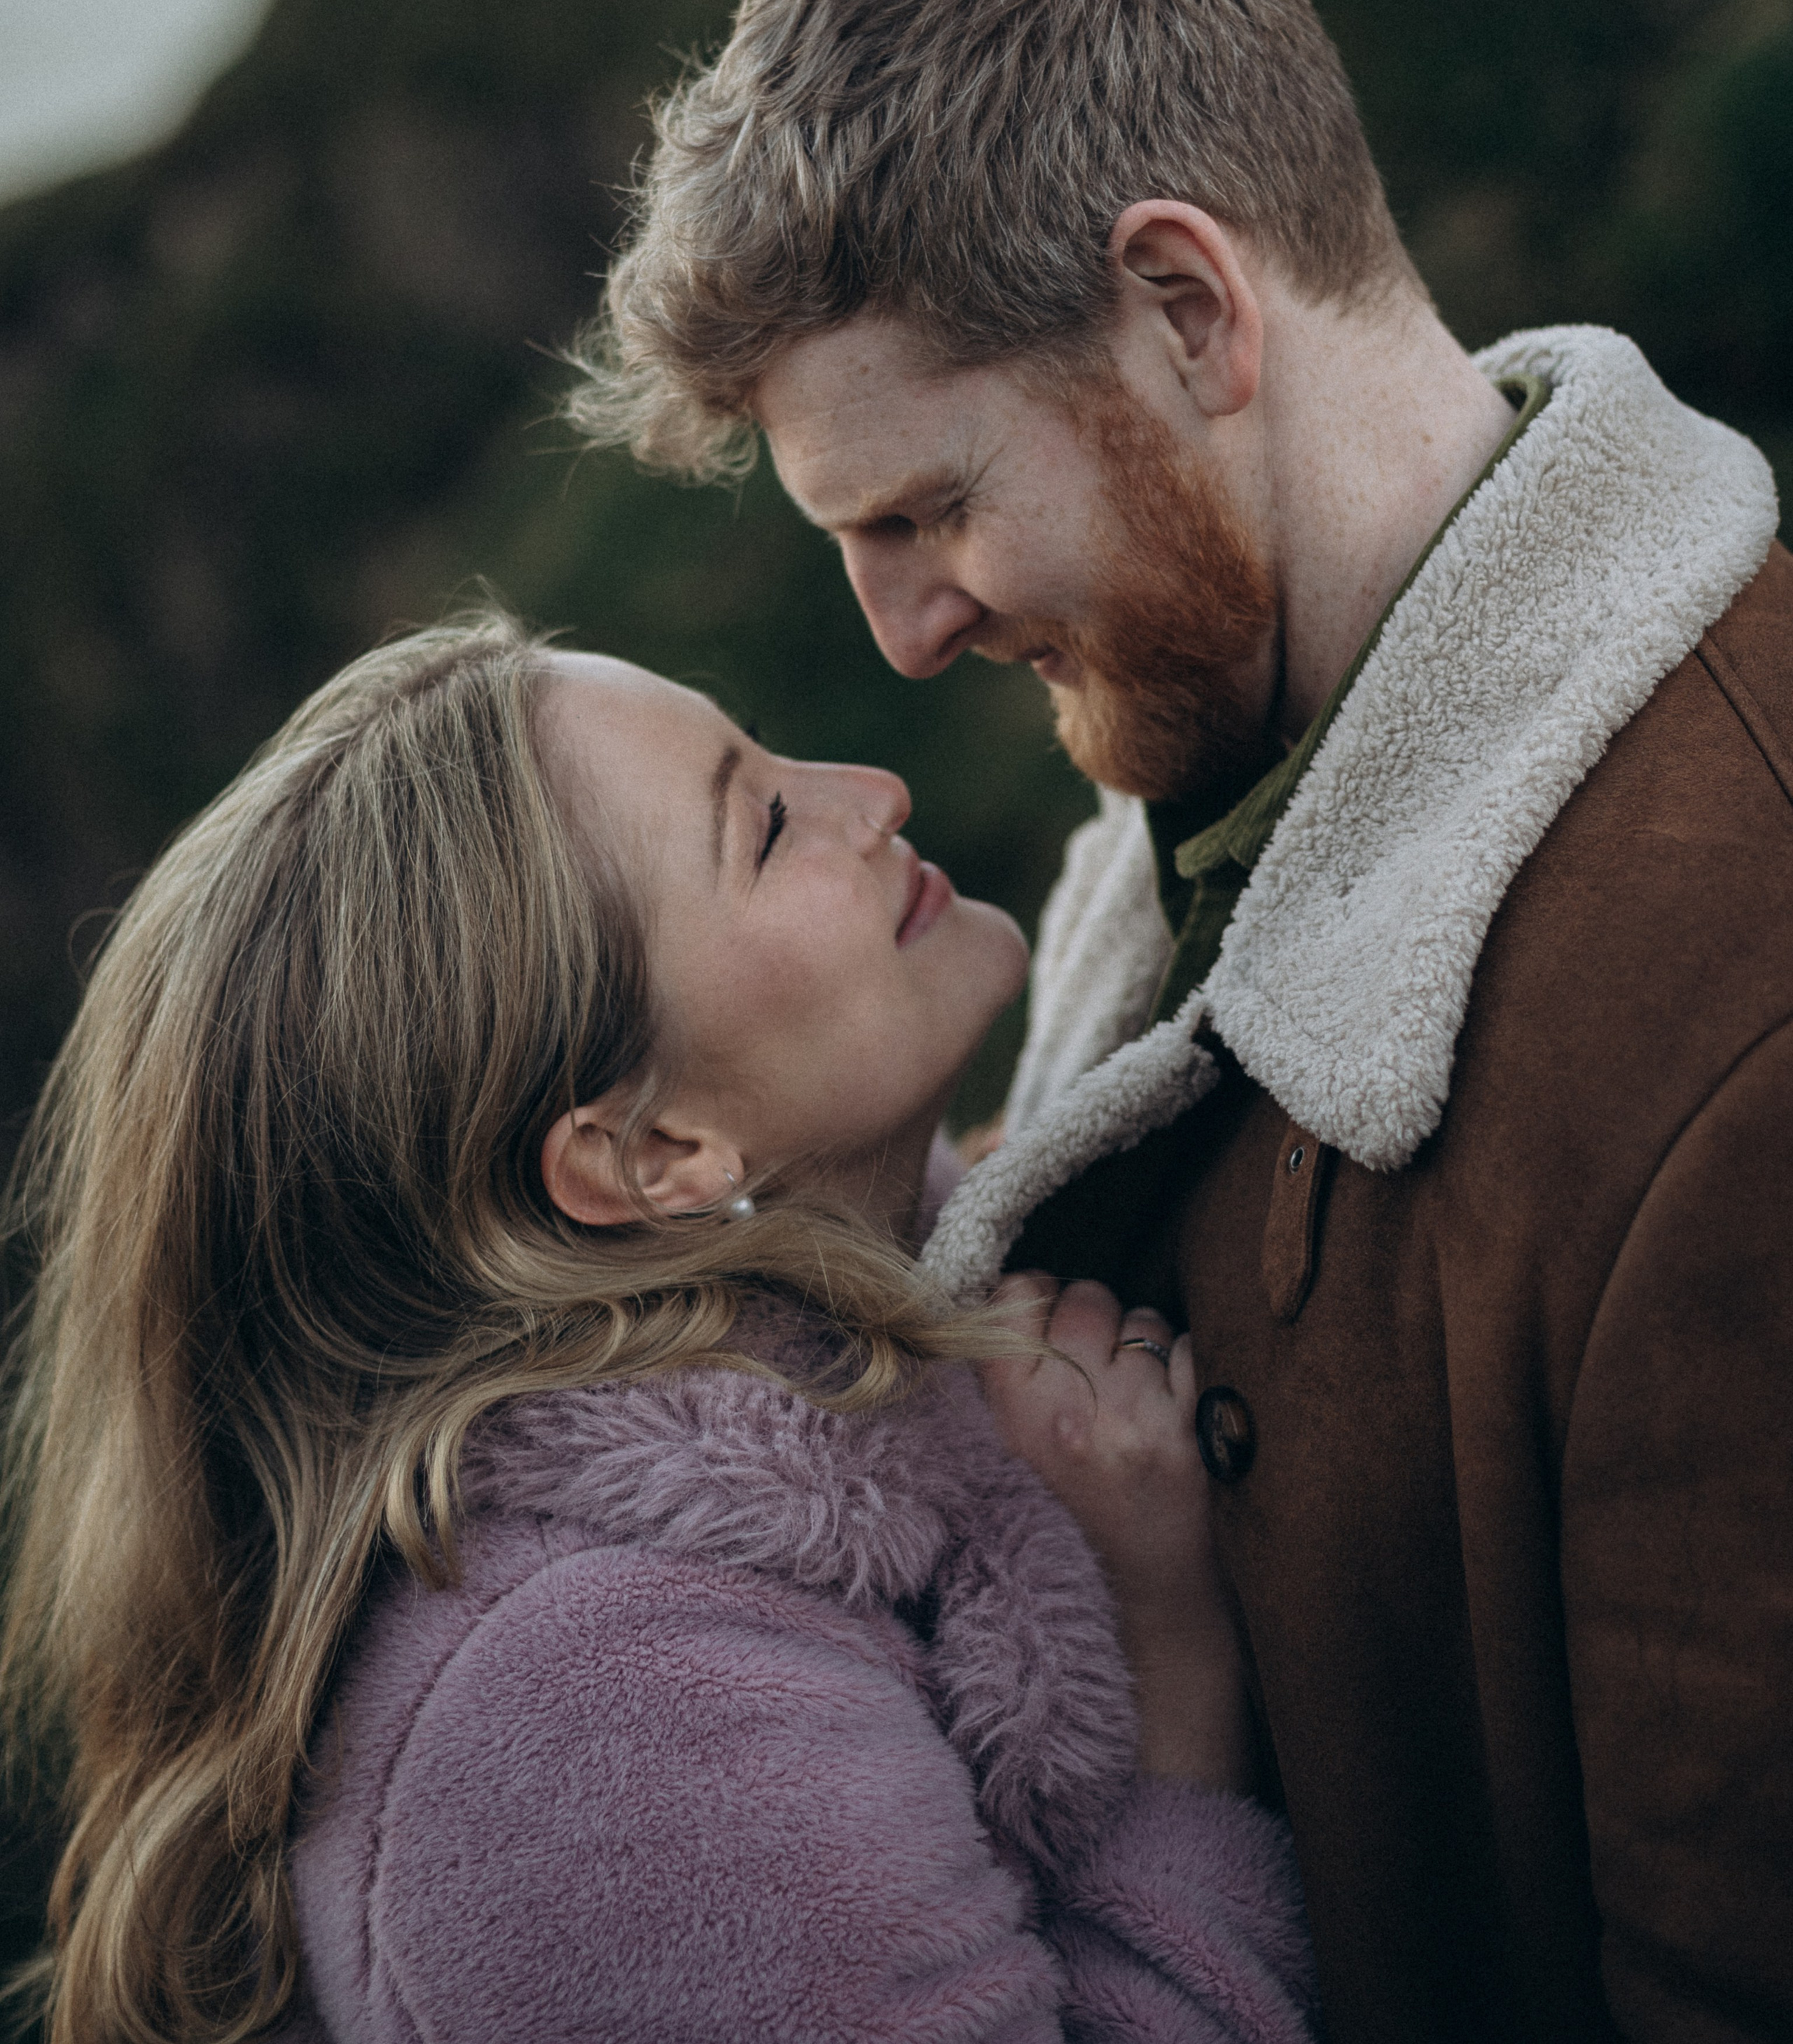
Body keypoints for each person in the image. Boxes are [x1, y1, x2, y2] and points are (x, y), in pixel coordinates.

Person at [577, 0, 1793, 2040]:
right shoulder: (1188, 806)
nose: (904, 630)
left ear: (1187, 308)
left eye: (928, 508)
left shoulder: (1755, 993)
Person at [0, 613, 1316, 2044]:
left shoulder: (942, 1329)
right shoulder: (596, 1715)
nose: (871, 794)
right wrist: (1170, 1675)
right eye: (761, 825)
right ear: (650, 1154)